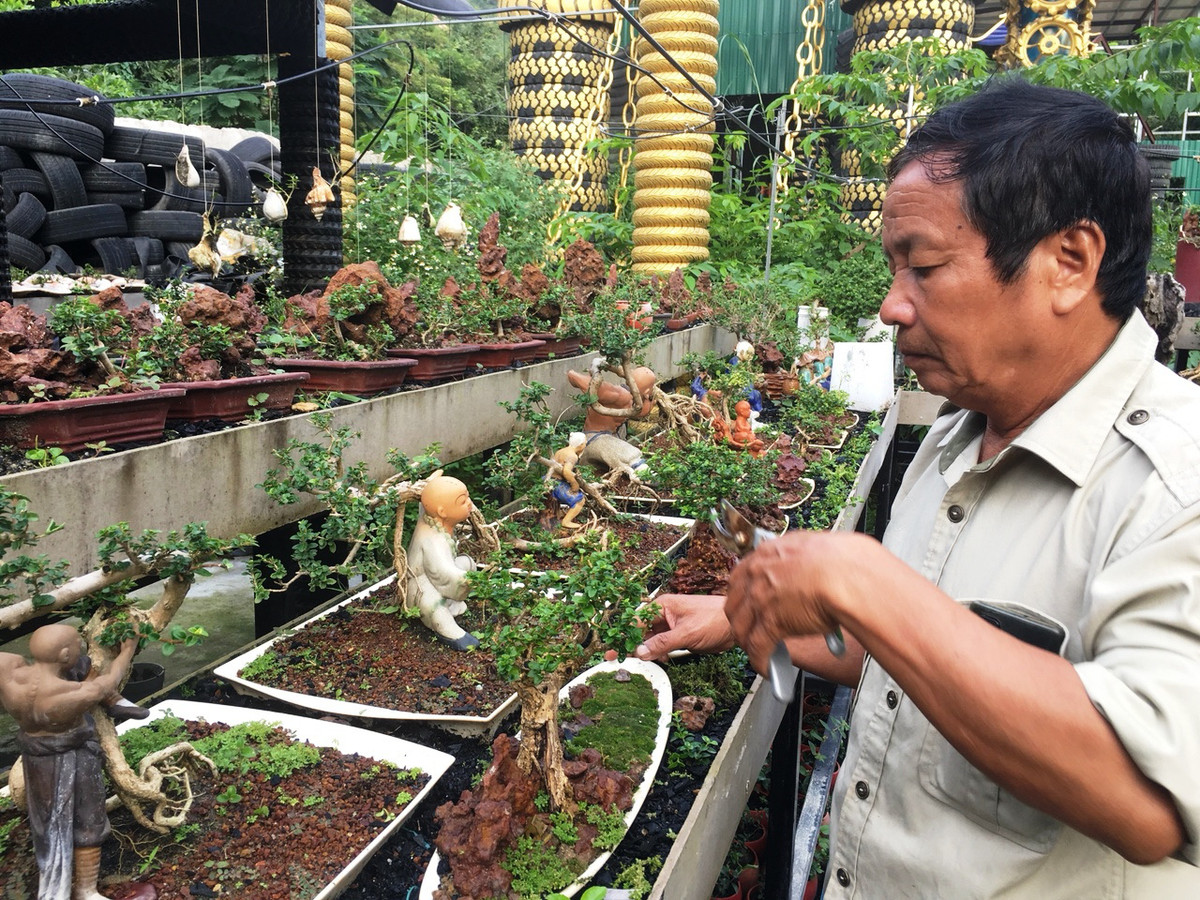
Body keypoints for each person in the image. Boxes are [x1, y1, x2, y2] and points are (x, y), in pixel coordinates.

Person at [638, 79, 1200, 897]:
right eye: (893, 268)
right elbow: (912, 659)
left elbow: (1146, 799)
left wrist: (866, 583)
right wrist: (746, 621)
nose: (892, 305)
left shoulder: (1173, 487)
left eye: (925, 267)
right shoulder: (953, 437)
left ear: (1069, 263)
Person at [0, 625, 140, 900]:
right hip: (73, 757)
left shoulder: (7, 673)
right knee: (89, 819)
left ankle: (57, 886)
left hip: (36, 761)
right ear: (65, 655)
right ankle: (85, 890)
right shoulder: (72, 694)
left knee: (46, 826)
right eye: (78, 644)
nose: (82, 648)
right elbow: (109, 681)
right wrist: (128, 649)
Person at [405, 474, 479, 651]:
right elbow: (441, 571)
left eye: (468, 496)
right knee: (434, 606)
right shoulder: (432, 539)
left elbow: (426, 504)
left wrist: (431, 484)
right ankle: (453, 633)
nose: (469, 503)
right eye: (462, 501)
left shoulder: (432, 519)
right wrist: (466, 580)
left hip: (437, 576)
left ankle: (454, 602)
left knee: (467, 563)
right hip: (421, 585)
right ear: (443, 512)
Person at [566, 360, 656, 481]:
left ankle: (627, 470)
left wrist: (649, 398)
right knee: (628, 453)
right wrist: (592, 373)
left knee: (618, 440)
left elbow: (643, 412)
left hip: (612, 437)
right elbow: (575, 378)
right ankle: (643, 472)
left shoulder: (633, 401)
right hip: (594, 439)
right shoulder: (620, 394)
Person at [545, 432, 588, 529]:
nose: (585, 445)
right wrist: (574, 485)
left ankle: (557, 514)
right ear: (580, 444)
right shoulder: (572, 456)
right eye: (585, 443)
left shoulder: (560, 451)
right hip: (556, 484)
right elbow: (566, 471)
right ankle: (566, 522)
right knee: (580, 500)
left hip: (547, 479)